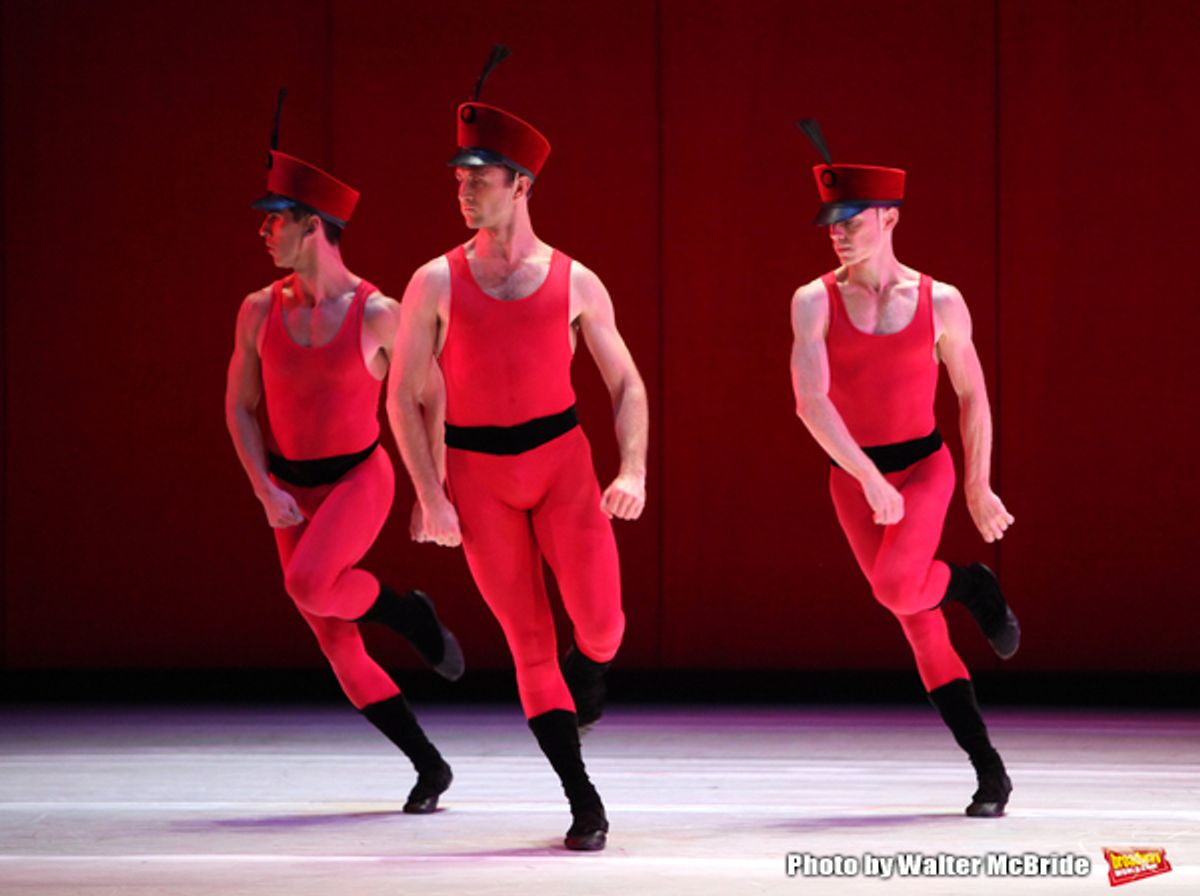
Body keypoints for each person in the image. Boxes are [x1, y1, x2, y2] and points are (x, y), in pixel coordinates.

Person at [387, 48, 649, 850]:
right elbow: (402, 395)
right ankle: (582, 800)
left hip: (561, 465)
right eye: (459, 177)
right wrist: (430, 493)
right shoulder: (434, 281)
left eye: (480, 178)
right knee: (529, 644)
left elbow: (626, 383)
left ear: (522, 184)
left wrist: (633, 468)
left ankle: (591, 676)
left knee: (602, 629)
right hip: (478, 475)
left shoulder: (575, 280)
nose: (463, 190)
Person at [225, 92, 463, 814]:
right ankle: (429, 765)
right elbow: (240, 406)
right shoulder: (258, 309)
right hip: (290, 490)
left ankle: (405, 612)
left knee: (308, 585)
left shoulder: (377, 313)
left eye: (275, 218)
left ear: (313, 226)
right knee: (336, 644)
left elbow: (431, 396)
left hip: (359, 479)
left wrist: (432, 490)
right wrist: (264, 488)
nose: (264, 230)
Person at [789, 120, 1020, 817]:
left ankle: (972, 584)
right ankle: (990, 771)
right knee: (916, 620)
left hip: (923, 468)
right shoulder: (814, 300)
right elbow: (810, 402)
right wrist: (866, 477)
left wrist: (976, 485)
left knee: (898, 587)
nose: (838, 233)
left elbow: (972, 394)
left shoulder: (939, 300)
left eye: (852, 220)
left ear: (889, 218)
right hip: (854, 475)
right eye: (832, 222)